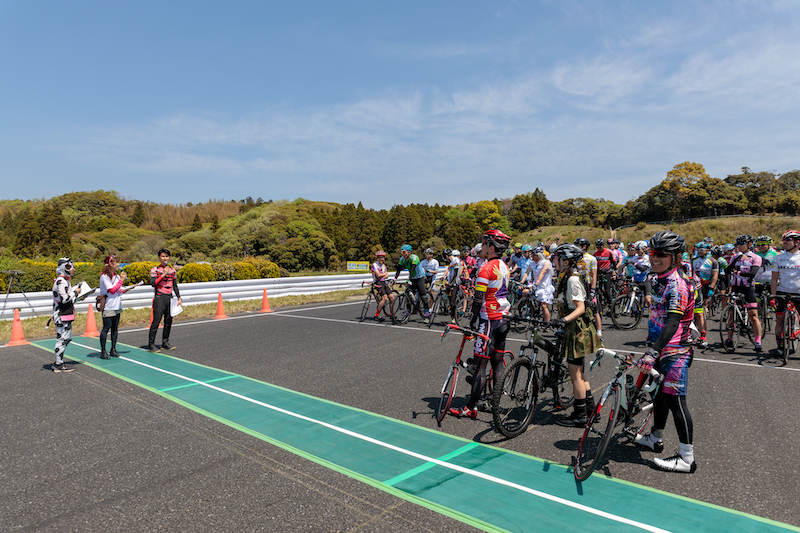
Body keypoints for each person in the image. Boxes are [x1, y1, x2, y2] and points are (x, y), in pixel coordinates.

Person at [634, 231, 697, 473]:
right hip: (660, 350)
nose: (654, 258)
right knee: (658, 397)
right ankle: (655, 438)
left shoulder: (676, 284)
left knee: (676, 402)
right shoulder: (660, 277)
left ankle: (687, 458)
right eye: (652, 253)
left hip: (674, 353)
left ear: (676, 257)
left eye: (661, 254)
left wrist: (653, 351)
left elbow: (672, 323)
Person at [449, 229, 512, 418]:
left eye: (484, 244)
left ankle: (471, 406)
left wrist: (472, 320)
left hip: (488, 319)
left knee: (480, 366)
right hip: (504, 317)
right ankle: (495, 403)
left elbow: (478, 299)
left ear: (491, 247)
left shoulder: (485, 268)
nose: (482, 247)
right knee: (498, 364)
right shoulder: (504, 266)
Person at [549, 243, 601, 427]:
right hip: (577, 329)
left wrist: (563, 320)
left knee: (575, 374)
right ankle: (591, 410)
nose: (554, 261)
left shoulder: (572, 280)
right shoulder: (568, 277)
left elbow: (580, 307)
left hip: (577, 330)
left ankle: (580, 415)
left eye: (557, 258)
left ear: (566, 261)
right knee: (578, 372)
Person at [725, 234, 763, 352]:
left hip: (748, 289)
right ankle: (729, 338)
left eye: (741, 244)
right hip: (736, 288)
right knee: (732, 313)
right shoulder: (735, 257)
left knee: (753, 315)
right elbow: (727, 271)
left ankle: (757, 342)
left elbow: (752, 273)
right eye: (738, 244)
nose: (739, 246)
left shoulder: (755, 257)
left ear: (749, 244)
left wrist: (740, 272)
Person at [769, 230, 800, 357]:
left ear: (797, 242)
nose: (784, 243)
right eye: (784, 240)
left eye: (787, 240)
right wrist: (772, 296)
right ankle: (780, 347)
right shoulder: (778, 258)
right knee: (780, 320)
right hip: (782, 292)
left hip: (798, 293)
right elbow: (774, 279)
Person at [148, 249, 182, 352]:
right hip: (159, 297)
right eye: (163, 256)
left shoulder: (173, 271)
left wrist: (179, 297)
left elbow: (175, 285)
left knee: (168, 321)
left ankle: (165, 342)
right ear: (159, 257)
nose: (165, 258)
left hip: (170, 297)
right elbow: (153, 283)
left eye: (167, 256)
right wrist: (163, 274)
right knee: (156, 321)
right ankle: (151, 344)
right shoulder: (155, 270)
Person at [52, 258, 81, 372]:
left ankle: (59, 362)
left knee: (65, 339)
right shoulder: (62, 281)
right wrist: (76, 292)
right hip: (61, 315)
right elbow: (65, 299)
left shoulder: (63, 281)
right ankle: (58, 364)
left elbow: (66, 299)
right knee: (62, 339)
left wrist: (77, 296)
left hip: (63, 314)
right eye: (71, 267)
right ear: (66, 268)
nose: (73, 269)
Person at [99, 255, 129, 359]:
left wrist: (126, 288)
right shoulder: (104, 276)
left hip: (117, 305)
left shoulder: (116, 276)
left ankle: (113, 349)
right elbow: (111, 290)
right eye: (116, 262)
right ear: (111, 264)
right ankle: (103, 351)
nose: (118, 264)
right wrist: (121, 280)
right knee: (106, 328)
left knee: (115, 328)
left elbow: (118, 289)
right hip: (108, 306)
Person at [692, 242, 719, 349]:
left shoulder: (713, 261)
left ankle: (703, 337)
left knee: (701, 312)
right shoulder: (693, 260)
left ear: (708, 250)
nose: (699, 251)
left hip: (706, 287)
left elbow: (714, 276)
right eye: (698, 249)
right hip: (695, 288)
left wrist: (711, 289)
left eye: (702, 250)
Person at [394, 244, 432, 321]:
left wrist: (409, 279)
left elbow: (412, 269)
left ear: (409, 252)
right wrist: (394, 279)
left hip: (420, 278)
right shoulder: (402, 259)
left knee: (423, 296)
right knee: (407, 295)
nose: (403, 254)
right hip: (412, 278)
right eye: (401, 252)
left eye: (404, 252)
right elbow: (399, 269)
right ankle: (407, 314)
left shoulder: (415, 257)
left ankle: (427, 315)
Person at [575, 237, 601, 339]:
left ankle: (599, 332)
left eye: (577, 245)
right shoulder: (575, 258)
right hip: (577, 286)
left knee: (594, 309)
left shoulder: (591, 258)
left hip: (588, 286)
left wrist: (593, 290)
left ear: (584, 246)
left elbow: (594, 275)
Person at [520, 245, 554, 322]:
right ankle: (528, 309)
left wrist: (536, 284)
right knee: (524, 292)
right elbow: (526, 273)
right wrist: (521, 283)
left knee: (543, 306)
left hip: (544, 287)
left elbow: (542, 273)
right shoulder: (532, 263)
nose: (532, 257)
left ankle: (547, 323)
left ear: (538, 255)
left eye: (533, 255)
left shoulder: (546, 262)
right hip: (535, 285)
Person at [370, 251, 394, 321]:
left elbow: (387, 276)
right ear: (377, 258)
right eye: (379, 257)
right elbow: (378, 275)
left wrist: (383, 274)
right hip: (378, 282)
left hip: (384, 282)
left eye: (382, 257)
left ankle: (391, 314)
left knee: (392, 297)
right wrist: (383, 274)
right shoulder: (375, 265)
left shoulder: (384, 266)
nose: (381, 259)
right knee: (385, 298)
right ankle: (377, 314)